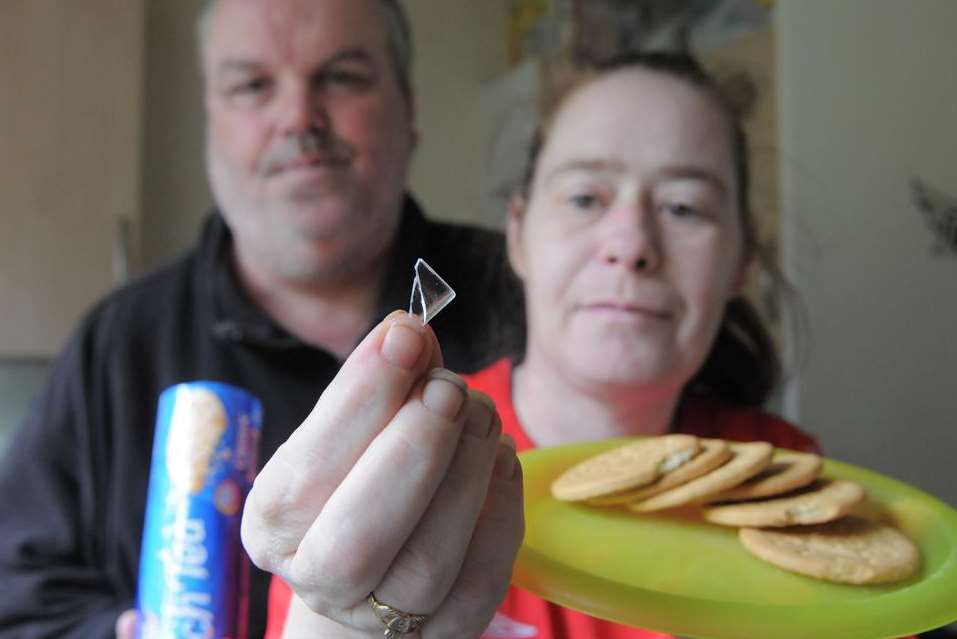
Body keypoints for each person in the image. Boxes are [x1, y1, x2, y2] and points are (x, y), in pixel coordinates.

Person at [0, 1, 523, 637]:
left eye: (342, 77)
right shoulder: (117, 343)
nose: (298, 118)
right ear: (211, 122)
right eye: (252, 85)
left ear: (409, 110)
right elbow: (17, 598)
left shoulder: (534, 297)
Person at [265, 51, 825, 638]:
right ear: (518, 234)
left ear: (741, 262)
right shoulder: (386, 468)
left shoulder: (792, 481)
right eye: (585, 198)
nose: (631, 244)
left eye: (683, 207)